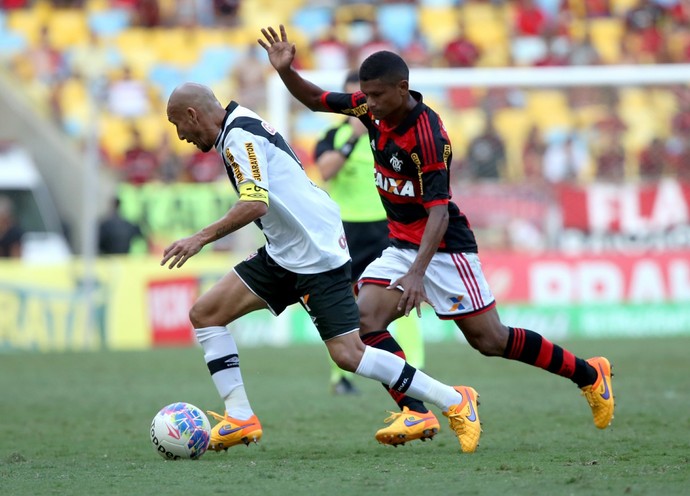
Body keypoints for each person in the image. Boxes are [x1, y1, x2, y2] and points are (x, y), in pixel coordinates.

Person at [259, 25, 615, 448]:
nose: (367, 104)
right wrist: (286, 72)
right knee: (364, 322)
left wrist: (415, 274)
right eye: (365, 96)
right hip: (402, 244)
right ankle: (416, 411)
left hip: (444, 247)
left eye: (375, 96)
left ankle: (590, 375)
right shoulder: (371, 111)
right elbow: (318, 100)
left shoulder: (428, 135)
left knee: (490, 340)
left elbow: (439, 211)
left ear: (402, 88)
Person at [162, 82, 481, 453]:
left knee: (349, 354)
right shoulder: (238, 123)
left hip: (316, 253)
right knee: (206, 314)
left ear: (192, 115)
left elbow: (254, 204)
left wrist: (199, 238)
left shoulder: (238, 138)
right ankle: (239, 417)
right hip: (285, 252)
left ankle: (455, 399)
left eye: (177, 125)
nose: (180, 136)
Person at [314, 70, 425, 395]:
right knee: (342, 303)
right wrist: (352, 137)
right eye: (354, 100)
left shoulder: (390, 134)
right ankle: (342, 377)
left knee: (401, 297)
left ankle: (414, 367)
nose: (362, 107)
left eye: (365, 99)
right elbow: (325, 170)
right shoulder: (334, 135)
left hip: (385, 228)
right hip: (344, 230)